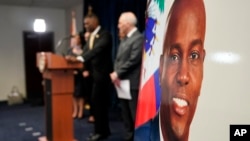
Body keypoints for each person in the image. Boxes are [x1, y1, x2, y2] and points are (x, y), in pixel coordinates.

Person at [134, 0, 206, 141]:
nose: (183, 76)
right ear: (160, 69)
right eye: (174, 56)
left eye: (194, 55)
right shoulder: (144, 135)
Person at [66, 13, 113, 141]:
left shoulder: (105, 35)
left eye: (87, 23)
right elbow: (86, 51)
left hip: (102, 76)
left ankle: (101, 132)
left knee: (99, 104)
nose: (85, 26)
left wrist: (80, 58)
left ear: (94, 22)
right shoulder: (91, 37)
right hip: (93, 76)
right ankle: (102, 131)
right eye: (84, 24)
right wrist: (75, 59)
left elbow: (96, 50)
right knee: (96, 104)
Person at [110, 12, 144, 141]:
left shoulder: (138, 38)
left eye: (120, 23)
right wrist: (116, 73)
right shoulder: (126, 38)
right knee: (125, 113)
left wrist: (117, 73)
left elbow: (133, 60)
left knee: (133, 113)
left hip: (131, 82)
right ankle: (129, 136)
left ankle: (137, 137)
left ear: (128, 24)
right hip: (121, 82)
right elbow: (119, 59)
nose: (118, 26)